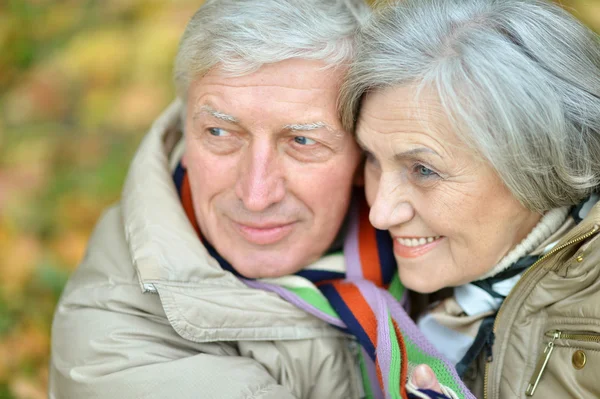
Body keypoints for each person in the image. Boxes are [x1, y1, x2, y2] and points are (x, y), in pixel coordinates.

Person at [49, 1, 376, 398]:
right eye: (220, 133)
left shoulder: (435, 240)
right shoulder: (113, 338)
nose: (256, 196)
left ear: (366, 154)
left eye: (302, 141)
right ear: (185, 130)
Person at [340, 0, 600, 397]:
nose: (379, 213)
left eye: (423, 170)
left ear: (540, 161)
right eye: (372, 159)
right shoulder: (356, 258)